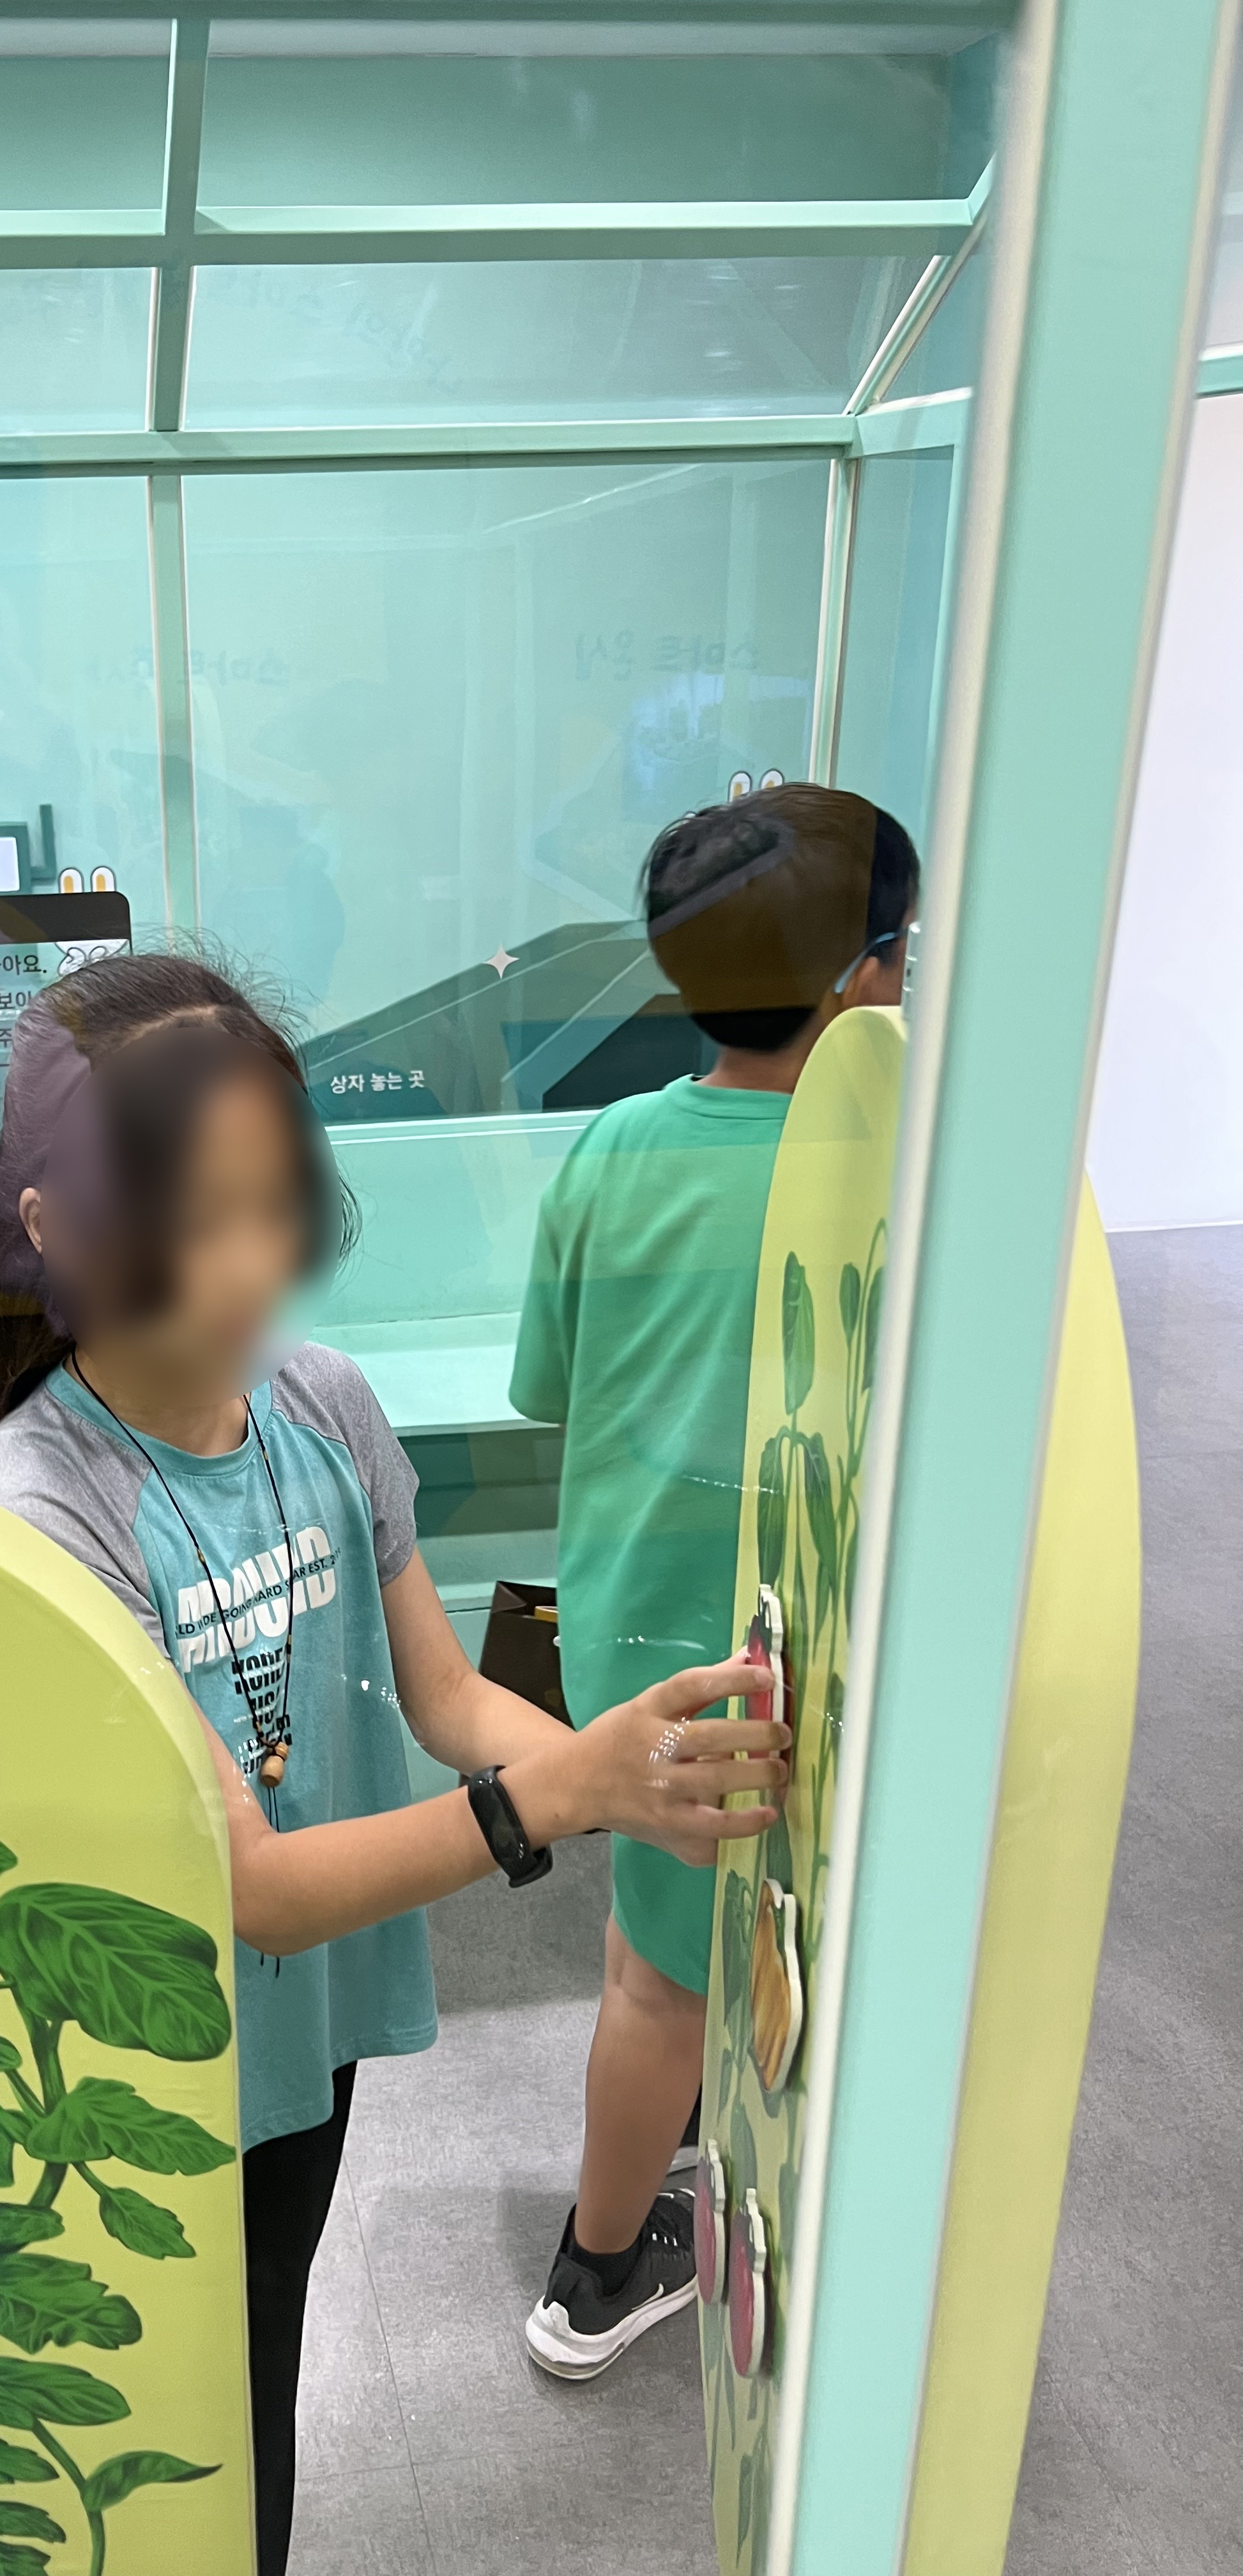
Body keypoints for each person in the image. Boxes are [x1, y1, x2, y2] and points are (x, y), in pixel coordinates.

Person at [0, 952, 790, 2576]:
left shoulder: (322, 1405)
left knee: (263, 2340)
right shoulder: (45, 1501)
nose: (245, 1270)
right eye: (186, 1223)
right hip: (145, 2059)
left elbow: (448, 1695)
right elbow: (250, 1888)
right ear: (52, 1227)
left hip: (304, 2033)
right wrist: (571, 1791)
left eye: (271, 1209)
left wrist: (631, 1776)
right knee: (185, 2411)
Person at [514, 784, 920, 2382]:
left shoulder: (613, 1149)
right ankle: (598, 2273)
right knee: (663, 1985)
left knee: (664, 1945)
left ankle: (691, 2157)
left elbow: (549, 1387)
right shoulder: (890, 1171)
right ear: (864, 979)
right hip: (785, 1651)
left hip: (636, 1629)